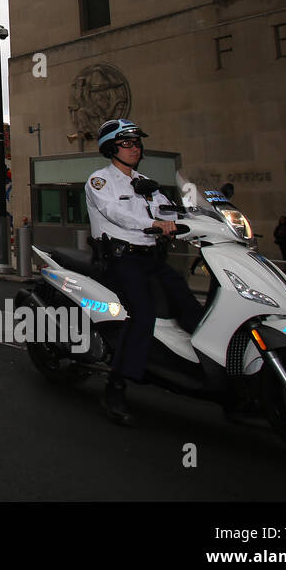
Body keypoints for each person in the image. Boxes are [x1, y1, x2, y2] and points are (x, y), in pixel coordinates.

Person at [85, 118, 203, 427]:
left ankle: (209, 370)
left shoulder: (147, 183)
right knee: (142, 314)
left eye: (137, 143)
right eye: (127, 143)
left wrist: (191, 221)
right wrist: (152, 224)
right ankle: (116, 386)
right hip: (122, 260)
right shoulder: (100, 181)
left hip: (152, 257)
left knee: (189, 305)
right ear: (112, 147)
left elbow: (169, 211)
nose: (135, 148)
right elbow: (116, 212)